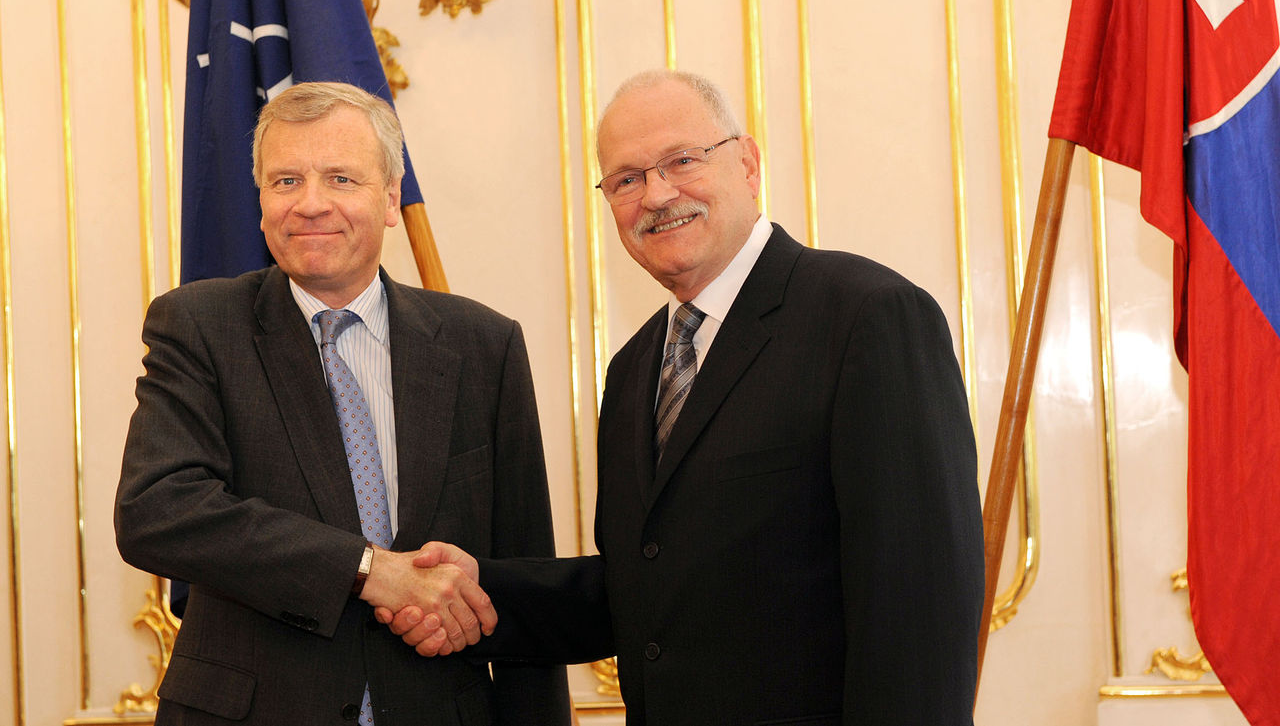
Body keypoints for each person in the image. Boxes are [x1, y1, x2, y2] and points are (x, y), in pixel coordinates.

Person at [391, 69, 986, 725]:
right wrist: (476, 591)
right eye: (626, 178)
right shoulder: (634, 369)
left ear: (748, 163)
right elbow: (646, 590)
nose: (657, 194)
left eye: (681, 160)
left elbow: (919, 609)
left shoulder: (868, 318)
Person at [115, 81, 570, 725]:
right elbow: (157, 510)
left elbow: (524, 581)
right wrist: (367, 570)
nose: (311, 204)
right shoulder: (198, 325)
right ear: (261, 200)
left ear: (390, 199)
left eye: (341, 179)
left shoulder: (484, 344)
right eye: (286, 181)